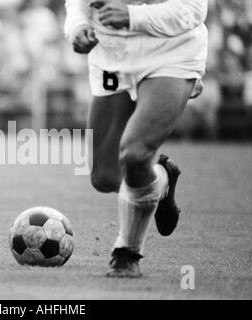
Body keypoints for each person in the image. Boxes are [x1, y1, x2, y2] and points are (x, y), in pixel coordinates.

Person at [65, 0, 208, 278]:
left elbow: (193, 9)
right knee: (104, 177)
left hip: (170, 51)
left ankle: (127, 254)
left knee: (134, 154)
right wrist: (78, 26)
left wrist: (133, 15)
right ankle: (160, 178)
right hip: (113, 54)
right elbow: (78, 3)